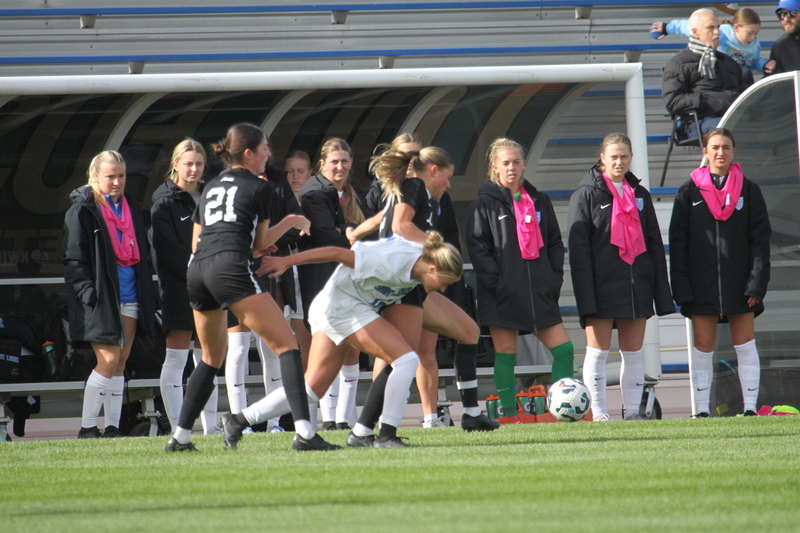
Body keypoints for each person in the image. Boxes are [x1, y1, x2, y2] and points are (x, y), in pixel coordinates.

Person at [164, 123, 338, 452]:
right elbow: (260, 243)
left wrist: (247, 247)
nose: (269, 154)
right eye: (265, 148)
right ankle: (305, 433)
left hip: (198, 270)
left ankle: (180, 438)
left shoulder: (211, 185)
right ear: (248, 153)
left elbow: (197, 242)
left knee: (210, 358)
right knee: (288, 346)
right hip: (229, 267)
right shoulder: (261, 187)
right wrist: (291, 221)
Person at [222, 232, 464, 448]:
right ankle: (386, 435)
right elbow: (334, 252)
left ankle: (238, 420)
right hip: (342, 307)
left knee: (311, 389)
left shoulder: (423, 260)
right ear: (433, 269)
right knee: (406, 359)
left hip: (336, 307)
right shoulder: (391, 260)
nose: (443, 290)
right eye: (445, 283)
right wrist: (286, 261)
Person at [347, 146, 499, 437]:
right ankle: (364, 430)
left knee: (469, 331)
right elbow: (400, 225)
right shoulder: (415, 185)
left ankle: (471, 414)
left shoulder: (415, 191)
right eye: (447, 176)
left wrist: (355, 233)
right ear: (433, 170)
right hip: (403, 285)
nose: (449, 184)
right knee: (400, 357)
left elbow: (383, 220)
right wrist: (435, 246)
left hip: (414, 286)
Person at [568, 133, 675, 421]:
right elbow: (578, 252)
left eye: (624, 156)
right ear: (602, 158)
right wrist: (585, 296)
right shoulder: (585, 194)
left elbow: (654, 244)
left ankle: (632, 413)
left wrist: (659, 291)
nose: (619, 162)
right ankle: (599, 413)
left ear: (631, 158)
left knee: (634, 353)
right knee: (598, 352)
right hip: (600, 287)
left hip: (635, 284)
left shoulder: (641, 195)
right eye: (613, 156)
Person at [467, 138, 574, 422]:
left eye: (516, 162)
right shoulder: (483, 203)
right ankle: (511, 415)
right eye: (505, 163)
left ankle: (560, 411)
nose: (511, 167)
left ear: (524, 164)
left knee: (564, 350)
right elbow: (478, 248)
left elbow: (554, 243)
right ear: (495, 167)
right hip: (503, 293)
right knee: (506, 353)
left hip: (539, 291)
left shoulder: (540, 201)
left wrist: (552, 279)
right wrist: (498, 283)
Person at [668, 127, 771, 417]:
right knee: (703, 345)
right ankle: (702, 410)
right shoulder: (688, 191)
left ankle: (750, 408)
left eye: (726, 147)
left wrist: (756, 284)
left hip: (740, 283)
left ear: (734, 151)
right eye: (714, 147)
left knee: (745, 343)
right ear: (705, 152)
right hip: (702, 285)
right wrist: (682, 287)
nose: (720, 152)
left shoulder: (749, 190)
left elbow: (760, 242)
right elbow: (678, 244)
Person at [64, 150, 155, 438]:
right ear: (95, 176)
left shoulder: (131, 206)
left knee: (120, 364)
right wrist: (89, 294)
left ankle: (113, 428)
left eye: (121, 176)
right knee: (108, 361)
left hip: (131, 295)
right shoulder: (82, 209)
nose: (117, 182)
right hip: (102, 299)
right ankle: (87, 428)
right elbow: (73, 260)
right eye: (110, 176)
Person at [297, 138, 370, 431]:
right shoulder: (313, 192)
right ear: (322, 164)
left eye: (345, 161)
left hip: (351, 276)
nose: (340, 166)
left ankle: (344, 419)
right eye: (334, 161)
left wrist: (346, 230)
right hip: (321, 277)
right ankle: (327, 418)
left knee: (352, 348)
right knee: (327, 345)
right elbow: (324, 234)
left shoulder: (356, 193)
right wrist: (352, 232)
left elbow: (365, 231)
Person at [151, 139, 221, 435]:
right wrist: (200, 273)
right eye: (188, 163)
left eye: (199, 163)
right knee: (176, 359)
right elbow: (166, 250)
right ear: (175, 164)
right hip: (179, 290)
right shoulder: (164, 201)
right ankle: (179, 429)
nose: (194, 169)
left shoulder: (211, 196)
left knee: (208, 359)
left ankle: (212, 426)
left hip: (210, 287)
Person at [662, 8, 746, 139]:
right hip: (699, 122)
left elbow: (744, 96)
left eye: (718, 27)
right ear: (695, 32)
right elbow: (672, 101)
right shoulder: (679, 63)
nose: (717, 32)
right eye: (710, 28)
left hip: (732, 117)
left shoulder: (729, 62)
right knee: (727, 128)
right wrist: (708, 101)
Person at [651, 7, 774, 85]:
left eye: (756, 34)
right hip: (717, 71)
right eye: (750, 33)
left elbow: (752, 62)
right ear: (736, 28)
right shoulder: (721, 33)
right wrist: (667, 28)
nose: (753, 38)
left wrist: (763, 64)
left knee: (745, 72)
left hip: (734, 79)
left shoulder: (754, 46)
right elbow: (688, 26)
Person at [766, 1, 800, 76]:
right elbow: (774, 80)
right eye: (781, 14)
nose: (785, 19)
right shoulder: (780, 47)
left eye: (791, 14)